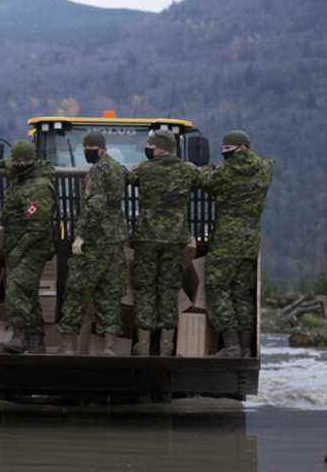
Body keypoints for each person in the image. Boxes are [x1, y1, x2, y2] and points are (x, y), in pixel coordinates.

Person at [199, 130, 274, 358]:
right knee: (242, 293)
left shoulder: (227, 172)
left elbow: (206, 183)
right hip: (250, 240)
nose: (226, 156)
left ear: (238, 149)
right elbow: (268, 165)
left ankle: (230, 345)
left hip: (227, 241)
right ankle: (244, 347)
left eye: (227, 152)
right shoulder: (264, 169)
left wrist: (207, 170)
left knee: (217, 286)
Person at [127, 130, 200, 356]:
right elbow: (204, 180)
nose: (148, 148)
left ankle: (144, 345)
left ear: (159, 147)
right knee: (169, 289)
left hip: (147, 237)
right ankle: (167, 346)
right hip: (175, 239)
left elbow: (126, 178)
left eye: (150, 145)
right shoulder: (187, 170)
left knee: (146, 288)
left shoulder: (144, 169)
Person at [58, 133, 128, 355]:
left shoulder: (98, 171)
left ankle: (68, 346)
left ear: (101, 149)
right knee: (110, 294)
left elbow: (94, 206)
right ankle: (109, 346)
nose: (87, 151)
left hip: (95, 241)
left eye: (90, 148)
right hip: (115, 240)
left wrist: (81, 236)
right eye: (85, 147)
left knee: (77, 291)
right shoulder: (118, 168)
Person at [1, 140, 57, 354]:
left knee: (15, 289)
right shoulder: (20, 176)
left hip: (33, 248)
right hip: (19, 245)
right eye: (15, 159)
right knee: (28, 293)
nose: (17, 163)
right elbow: (12, 165)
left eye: (21, 160)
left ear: (31, 160)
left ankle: (20, 335)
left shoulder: (38, 187)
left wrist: (17, 251)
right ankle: (36, 339)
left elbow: (38, 228)